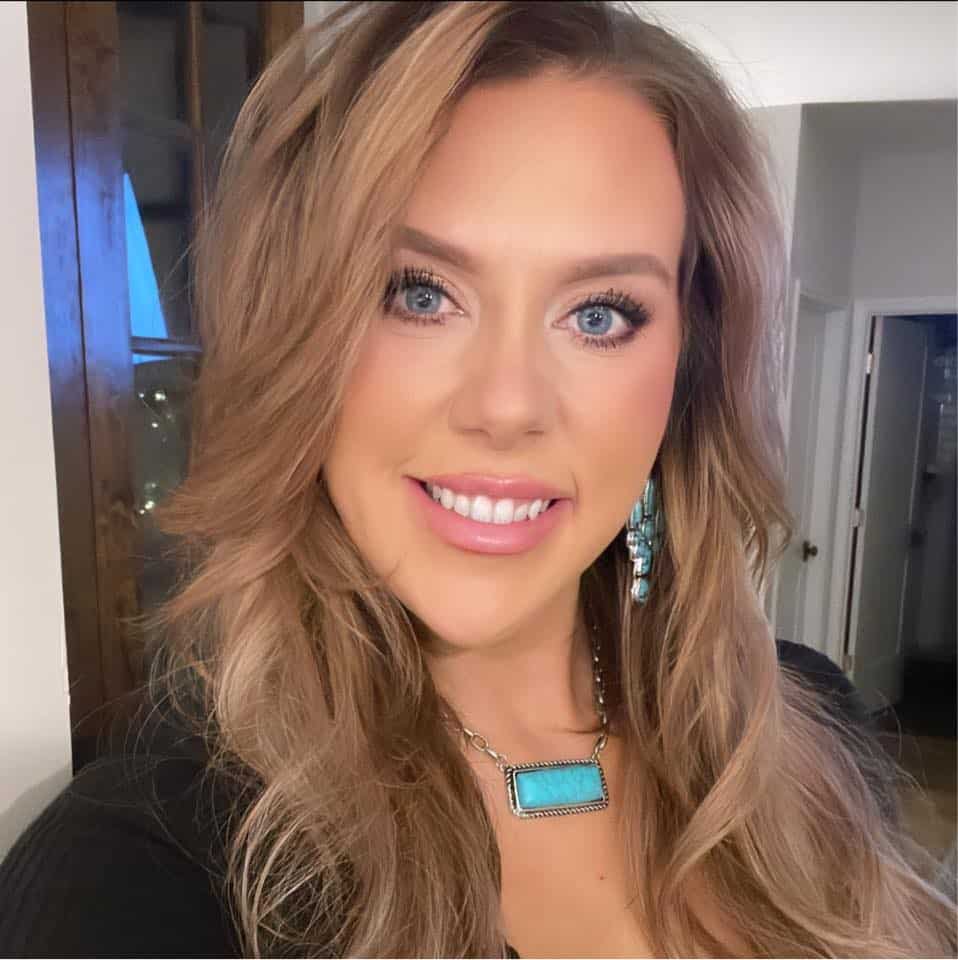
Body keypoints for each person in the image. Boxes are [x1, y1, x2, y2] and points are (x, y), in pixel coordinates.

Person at [1, 2, 954, 957]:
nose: (507, 406)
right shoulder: (136, 874)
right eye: (419, 293)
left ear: (687, 371)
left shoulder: (807, 728)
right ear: (297, 335)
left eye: (599, 315)